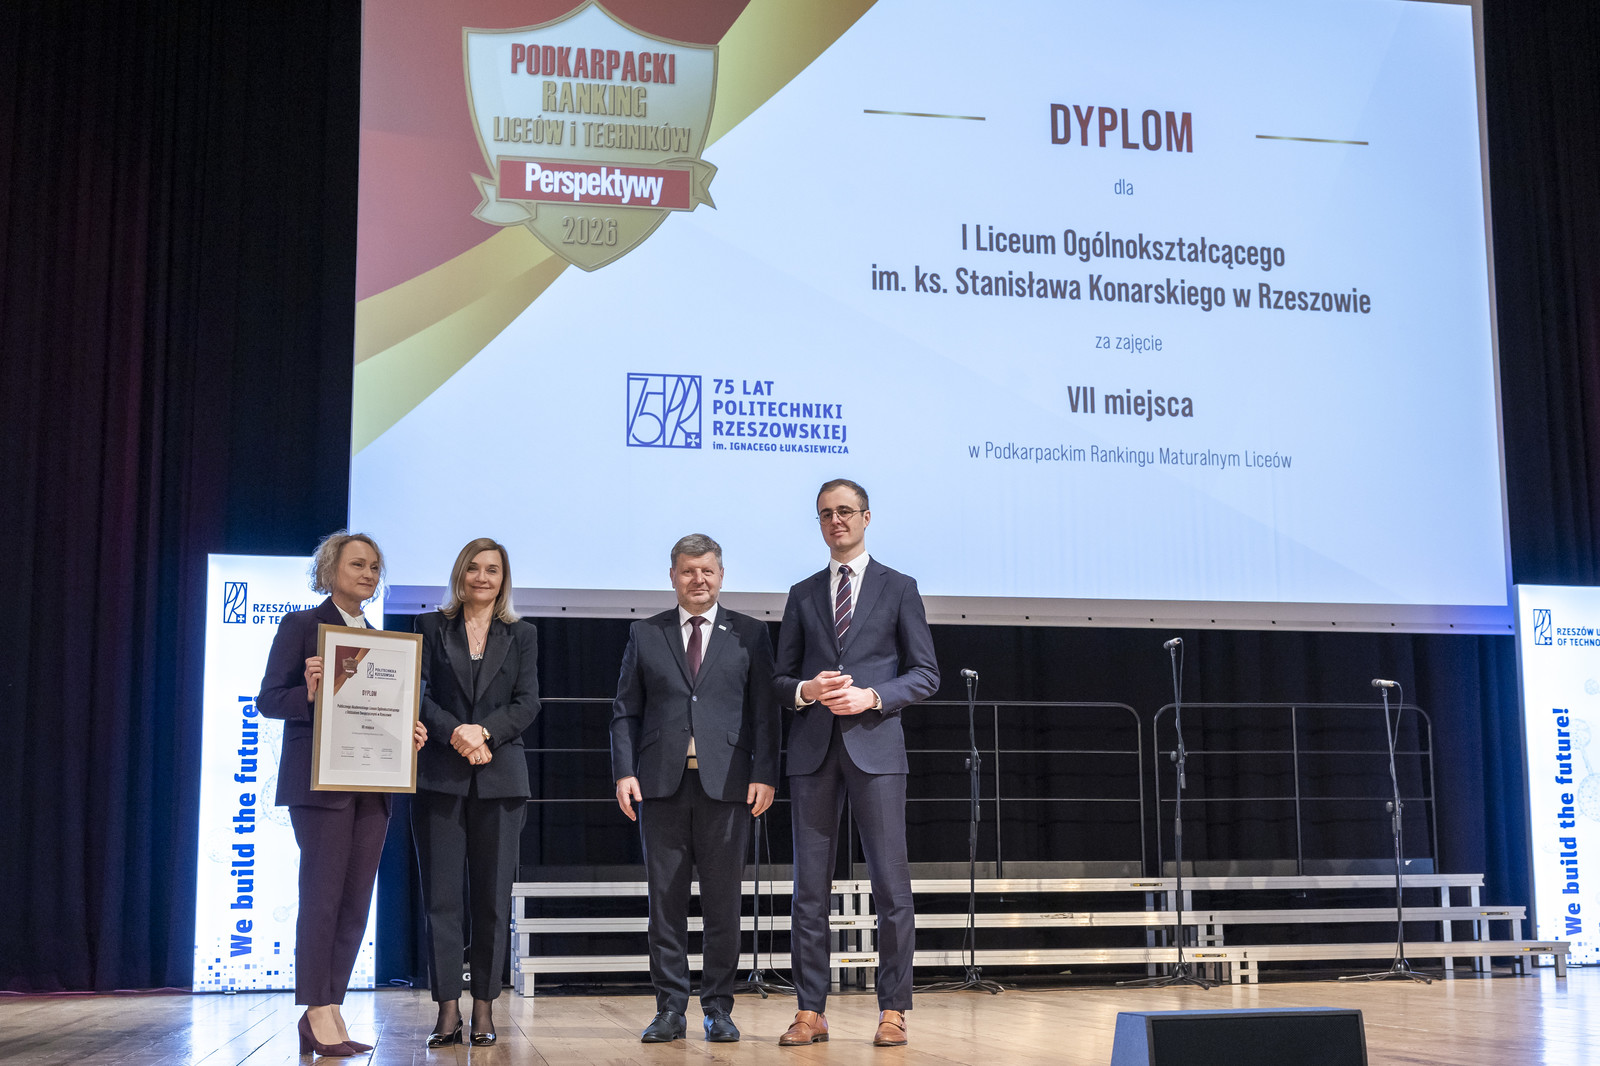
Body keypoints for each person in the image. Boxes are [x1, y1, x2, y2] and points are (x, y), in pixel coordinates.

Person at [773, 479, 939, 1048]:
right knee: (809, 892)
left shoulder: (899, 587)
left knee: (891, 887)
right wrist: (806, 690)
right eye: (826, 514)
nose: (835, 521)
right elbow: (780, 679)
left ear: (866, 517)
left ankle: (893, 1009)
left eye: (845, 511)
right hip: (813, 752)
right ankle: (809, 1011)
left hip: (877, 750)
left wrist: (873, 696)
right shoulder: (802, 593)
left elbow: (926, 674)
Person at [257, 531, 427, 1057]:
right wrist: (308, 693)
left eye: (375, 567)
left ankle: (330, 1004)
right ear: (330, 570)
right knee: (322, 897)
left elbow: (379, 711)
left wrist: (407, 730)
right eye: (358, 564)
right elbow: (269, 699)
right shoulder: (302, 626)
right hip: (320, 785)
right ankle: (316, 1007)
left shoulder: (383, 642)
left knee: (355, 903)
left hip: (373, 786)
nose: (368, 574)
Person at [610, 534, 780, 1043]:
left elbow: (765, 713)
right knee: (665, 904)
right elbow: (626, 710)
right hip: (660, 786)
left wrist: (765, 773)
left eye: (707, 570)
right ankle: (669, 1009)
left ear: (721, 575)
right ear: (673, 576)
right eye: (688, 571)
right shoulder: (646, 633)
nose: (698, 580)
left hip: (728, 785)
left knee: (723, 905)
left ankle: (719, 1008)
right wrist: (624, 771)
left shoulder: (750, 633)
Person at [412, 538, 540, 1047]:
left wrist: (483, 731)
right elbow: (417, 694)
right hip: (439, 777)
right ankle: (447, 1011)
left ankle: (484, 1008)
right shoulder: (429, 627)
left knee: (491, 900)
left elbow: (528, 702)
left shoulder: (523, 634)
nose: (482, 578)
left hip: (500, 779)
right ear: (459, 574)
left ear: (503, 579)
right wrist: (456, 733)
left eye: (492, 570)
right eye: (473, 568)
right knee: (441, 900)